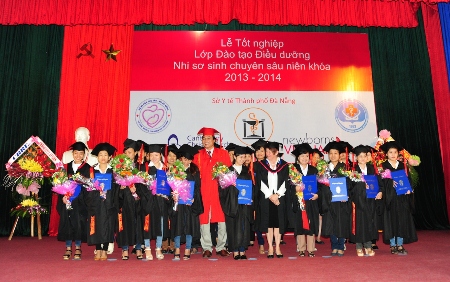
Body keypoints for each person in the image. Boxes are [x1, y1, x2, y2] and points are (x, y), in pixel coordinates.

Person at [193, 127, 232, 258]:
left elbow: (228, 173)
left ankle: (221, 246)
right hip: (204, 191)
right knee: (204, 219)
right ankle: (207, 247)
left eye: (208, 138)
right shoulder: (197, 156)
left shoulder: (223, 153)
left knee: (222, 219)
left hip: (219, 191)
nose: (205, 141)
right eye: (203, 138)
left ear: (214, 140)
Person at [254, 141, 292, 259]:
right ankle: (270, 247)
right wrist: (270, 195)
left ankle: (278, 247)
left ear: (276, 152)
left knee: (278, 223)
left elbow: (286, 182)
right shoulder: (260, 165)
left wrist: (278, 194)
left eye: (270, 152)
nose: (267, 153)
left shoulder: (285, 165)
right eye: (266, 151)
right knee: (269, 224)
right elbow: (260, 182)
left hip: (280, 198)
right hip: (266, 198)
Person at [380, 141, 417, 255]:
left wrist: (409, 189)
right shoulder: (383, 167)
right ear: (386, 154)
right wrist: (390, 183)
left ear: (398, 154)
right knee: (391, 221)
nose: (393, 154)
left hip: (401, 199)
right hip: (390, 199)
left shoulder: (403, 166)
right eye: (390, 152)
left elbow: (407, 180)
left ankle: (400, 244)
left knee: (401, 221)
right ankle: (392, 245)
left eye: (395, 152)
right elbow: (381, 183)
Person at [84, 142, 118, 261]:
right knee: (97, 225)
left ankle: (104, 250)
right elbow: (87, 188)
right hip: (96, 202)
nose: (103, 157)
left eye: (105, 155)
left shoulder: (113, 172)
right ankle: (98, 249)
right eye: (100, 155)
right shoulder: (92, 171)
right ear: (97, 157)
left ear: (109, 157)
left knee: (108, 226)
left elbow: (117, 189)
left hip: (109, 203)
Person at [170, 144, 204, 260]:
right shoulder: (175, 169)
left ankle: (188, 248)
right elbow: (171, 185)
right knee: (178, 226)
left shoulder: (194, 170)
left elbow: (197, 187)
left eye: (188, 159)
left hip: (190, 203)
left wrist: (194, 198)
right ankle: (177, 248)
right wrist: (173, 195)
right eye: (184, 159)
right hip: (178, 202)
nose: (186, 161)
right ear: (181, 158)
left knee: (189, 226)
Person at [57, 142, 90, 260]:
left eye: (81, 153)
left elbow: (89, 186)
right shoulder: (65, 168)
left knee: (79, 223)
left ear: (84, 155)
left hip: (80, 201)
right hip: (67, 200)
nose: (78, 156)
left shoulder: (87, 168)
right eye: (76, 153)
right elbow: (59, 183)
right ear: (72, 154)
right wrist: (63, 196)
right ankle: (68, 248)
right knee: (68, 223)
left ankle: (77, 247)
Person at [220, 145, 253, 260]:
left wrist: (250, 198)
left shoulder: (246, 172)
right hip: (232, 204)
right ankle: (235, 250)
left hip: (244, 204)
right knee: (233, 226)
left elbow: (250, 188)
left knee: (243, 226)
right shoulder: (228, 171)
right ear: (234, 156)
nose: (242, 159)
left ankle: (242, 250)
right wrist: (230, 186)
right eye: (240, 157)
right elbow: (222, 189)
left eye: (244, 157)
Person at [349, 145, 383, 257]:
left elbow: (379, 183)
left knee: (370, 222)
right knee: (359, 224)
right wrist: (363, 186)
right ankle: (359, 246)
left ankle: (368, 245)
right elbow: (350, 187)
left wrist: (380, 192)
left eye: (365, 156)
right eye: (360, 156)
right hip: (358, 202)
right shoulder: (353, 171)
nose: (363, 158)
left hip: (370, 201)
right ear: (356, 158)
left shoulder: (373, 169)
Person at [320, 141, 351, 257]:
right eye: (331, 153)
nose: (333, 155)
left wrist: (346, 195)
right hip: (329, 200)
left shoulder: (345, 168)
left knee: (341, 222)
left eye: (335, 153)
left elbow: (349, 184)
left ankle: (341, 245)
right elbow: (321, 185)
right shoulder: (324, 169)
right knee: (331, 223)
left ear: (340, 155)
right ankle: (334, 246)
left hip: (341, 200)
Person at [290, 143, 320, 257]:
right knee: (300, 223)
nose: (304, 158)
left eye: (306, 156)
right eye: (302, 156)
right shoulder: (294, 170)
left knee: (311, 223)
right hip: (299, 201)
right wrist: (294, 188)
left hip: (311, 201)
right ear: (298, 158)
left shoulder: (314, 170)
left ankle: (311, 248)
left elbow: (320, 186)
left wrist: (317, 194)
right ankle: (301, 248)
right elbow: (289, 185)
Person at [117, 139, 144, 260]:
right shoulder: (119, 167)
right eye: (126, 152)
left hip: (136, 199)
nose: (128, 155)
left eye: (130, 152)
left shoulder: (141, 167)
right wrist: (121, 188)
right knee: (125, 223)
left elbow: (145, 185)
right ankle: (125, 249)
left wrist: (136, 189)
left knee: (138, 223)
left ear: (136, 153)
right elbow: (115, 186)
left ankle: (138, 247)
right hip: (125, 200)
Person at [144, 144, 170, 260]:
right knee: (147, 224)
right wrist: (152, 192)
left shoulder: (165, 169)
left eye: (156, 155)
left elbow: (170, 186)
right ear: (148, 156)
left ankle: (158, 247)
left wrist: (165, 193)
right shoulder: (144, 168)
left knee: (160, 223)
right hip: (149, 200)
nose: (154, 157)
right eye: (151, 155)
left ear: (160, 156)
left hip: (161, 200)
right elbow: (141, 187)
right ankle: (147, 248)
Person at [161, 144, 179, 254]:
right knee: (163, 220)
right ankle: (164, 243)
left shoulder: (179, 170)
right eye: (170, 156)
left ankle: (172, 243)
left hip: (174, 198)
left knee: (174, 221)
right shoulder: (162, 169)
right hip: (164, 198)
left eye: (174, 156)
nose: (172, 158)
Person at [251, 139, 267, 254]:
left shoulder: (270, 165)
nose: (259, 153)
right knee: (257, 220)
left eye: (262, 151)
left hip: (267, 196)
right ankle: (261, 243)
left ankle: (272, 242)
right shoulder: (252, 166)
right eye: (257, 151)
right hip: (255, 196)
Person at [311, 148, 325, 245]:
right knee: (311, 216)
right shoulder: (308, 169)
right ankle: (311, 237)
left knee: (320, 216)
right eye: (314, 157)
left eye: (318, 157)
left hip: (319, 194)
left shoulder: (323, 169)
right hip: (310, 195)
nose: (316, 159)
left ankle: (319, 236)